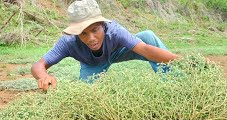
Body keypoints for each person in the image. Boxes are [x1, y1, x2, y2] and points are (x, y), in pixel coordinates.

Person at [31, 0, 178, 91]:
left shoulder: (115, 31)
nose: (91, 39)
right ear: (76, 32)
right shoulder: (68, 42)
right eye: (83, 33)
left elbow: (145, 50)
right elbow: (39, 65)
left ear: (102, 25)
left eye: (95, 30)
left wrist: (183, 61)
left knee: (147, 36)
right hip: (92, 64)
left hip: (118, 52)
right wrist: (43, 76)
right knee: (87, 96)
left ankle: (174, 83)